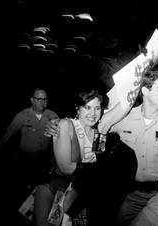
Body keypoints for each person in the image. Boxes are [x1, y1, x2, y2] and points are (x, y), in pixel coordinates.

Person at [45, 67, 158, 225]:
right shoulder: (123, 118)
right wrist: (57, 124)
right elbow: (100, 133)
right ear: (145, 91)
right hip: (128, 193)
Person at [33, 85, 138, 226]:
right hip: (53, 192)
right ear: (78, 108)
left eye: (97, 108)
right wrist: (99, 168)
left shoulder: (98, 135)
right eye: (87, 107)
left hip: (78, 199)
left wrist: (138, 82)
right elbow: (67, 168)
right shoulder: (66, 125)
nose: (93, 113)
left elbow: (121, 109)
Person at [0, 88, 59, 201]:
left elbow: (61, 133)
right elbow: (8, 134)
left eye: (45, 99)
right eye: (39, 99)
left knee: (42, 189)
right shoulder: (22, 116)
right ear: (32, 100)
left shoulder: (52, 115)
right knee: (24, 190)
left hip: (44, 159)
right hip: (26, 160)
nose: (43, 102)